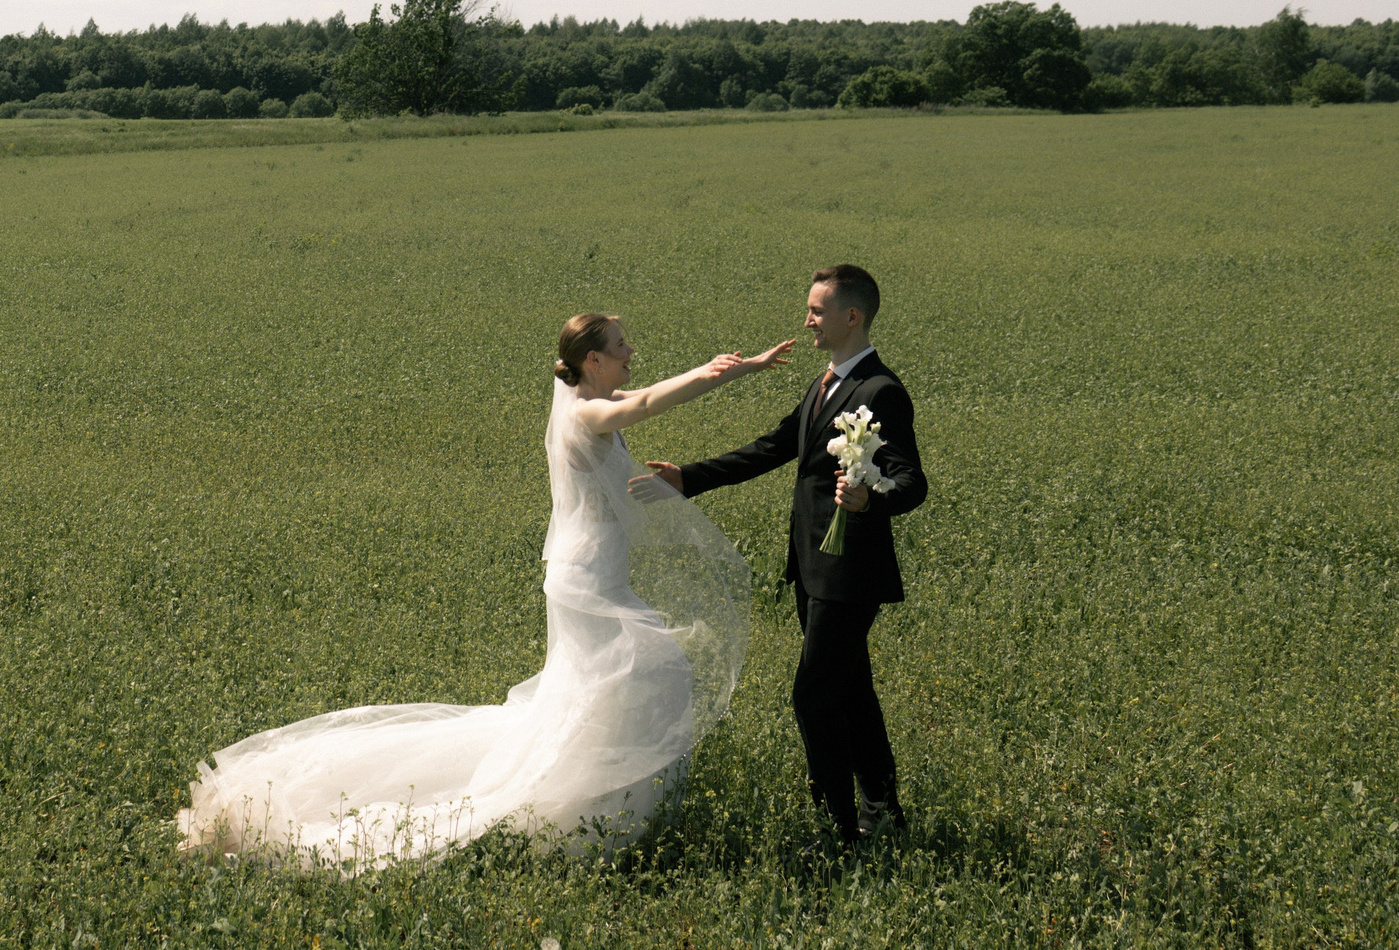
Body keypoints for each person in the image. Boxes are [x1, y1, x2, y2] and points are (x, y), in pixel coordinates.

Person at [176, 315, 791, 868]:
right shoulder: (583, 411)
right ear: (593, 361)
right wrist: (719, 374)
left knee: (606, 684)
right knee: (642, 669)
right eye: (619, 345)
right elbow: (648, 403)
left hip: (592, 570)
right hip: (588, 579)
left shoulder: (595, 396)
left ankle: (594, 800)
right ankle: (570, 803)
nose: (631, 351)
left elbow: (643, 395)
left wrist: (727, 371)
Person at [637, 265, 928, 846]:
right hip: (814, 566)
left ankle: (838, 829)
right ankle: (883, 810)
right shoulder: (828, 383)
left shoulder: (880, 391)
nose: (807, 319)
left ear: (853, 316)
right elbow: (775, 446)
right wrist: (687, 478)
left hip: (850, 574)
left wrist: (871, 498)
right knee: (849, 689)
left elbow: (911, 481)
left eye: (817, 310)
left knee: (813, 696)